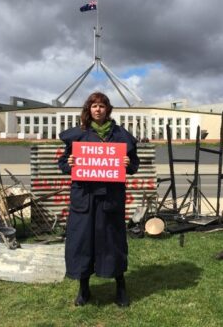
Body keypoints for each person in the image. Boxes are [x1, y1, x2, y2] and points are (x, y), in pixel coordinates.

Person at [58, 92, 139, 307]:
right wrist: (70, 162)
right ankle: (84, 288)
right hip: (84, 198)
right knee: (82, 242)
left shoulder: (120, 135)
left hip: (110, 199)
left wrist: (126, 163)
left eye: (102, 106)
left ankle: (120, 286)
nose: (98, 109)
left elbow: (134, 165)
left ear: (107, 109)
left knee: (113, 242)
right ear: (89, 109)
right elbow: (63, 163)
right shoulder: (78, 134)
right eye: (94, 105)